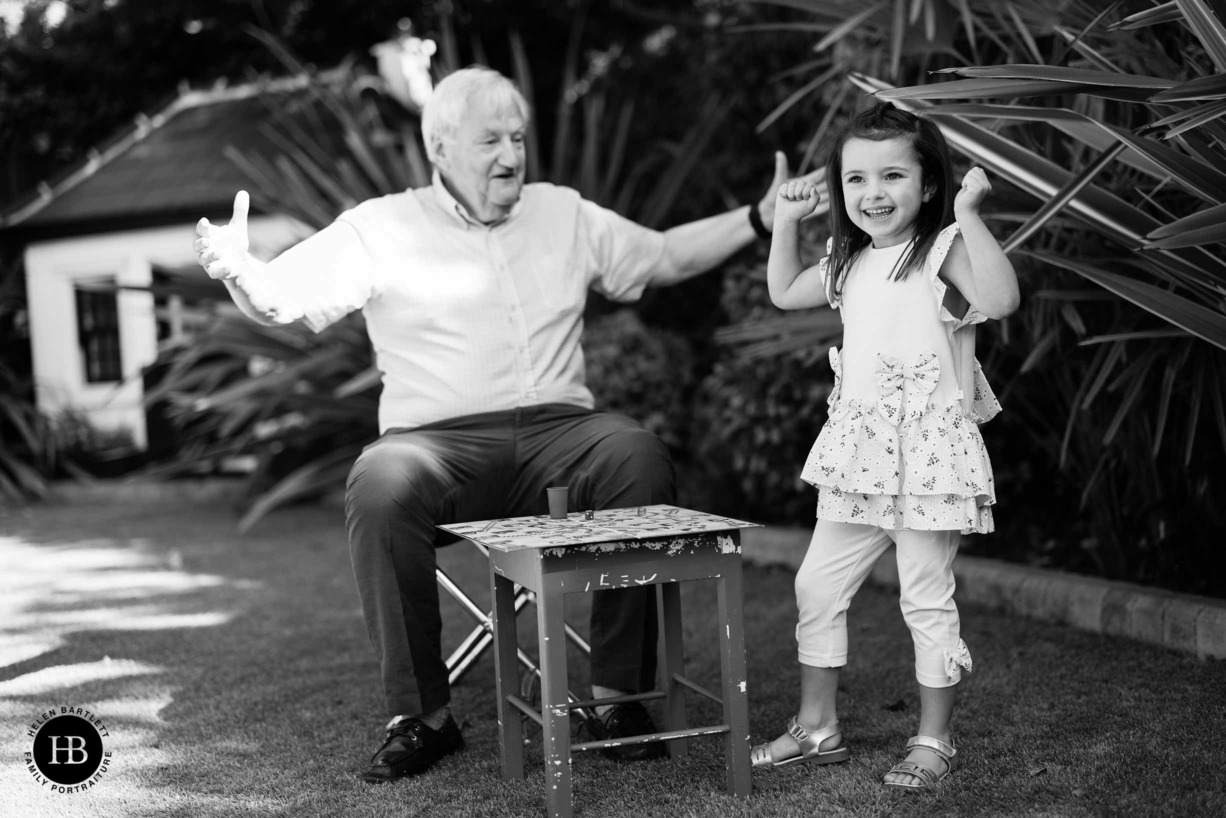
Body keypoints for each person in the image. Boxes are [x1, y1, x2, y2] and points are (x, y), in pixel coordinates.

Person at [193, 65, 818, 783]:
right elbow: (283, 301)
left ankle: (618, 697)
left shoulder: (563, 213)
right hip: (437, 447)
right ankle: (421, 718)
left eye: (517, 137)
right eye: (490, 139)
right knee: (378, 483)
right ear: (440, 150)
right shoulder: (380, 226)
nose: (511, 154)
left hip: (560, 436)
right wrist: (241, 272)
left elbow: (665, 255)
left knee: (634, 454)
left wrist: (759, 219)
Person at [752, 102, 1019, 788]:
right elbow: (783, 291)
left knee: (925, 598)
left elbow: (1002, 296)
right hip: (860, 459)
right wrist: (785, 220)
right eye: (856, 180)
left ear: (927, 185)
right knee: (816, 582)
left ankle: (934, 740)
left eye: (892, 175)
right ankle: (817, 727)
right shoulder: (846, 262)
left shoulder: (941, 250)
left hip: (929, 463)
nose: (873, 193)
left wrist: (973, 216)